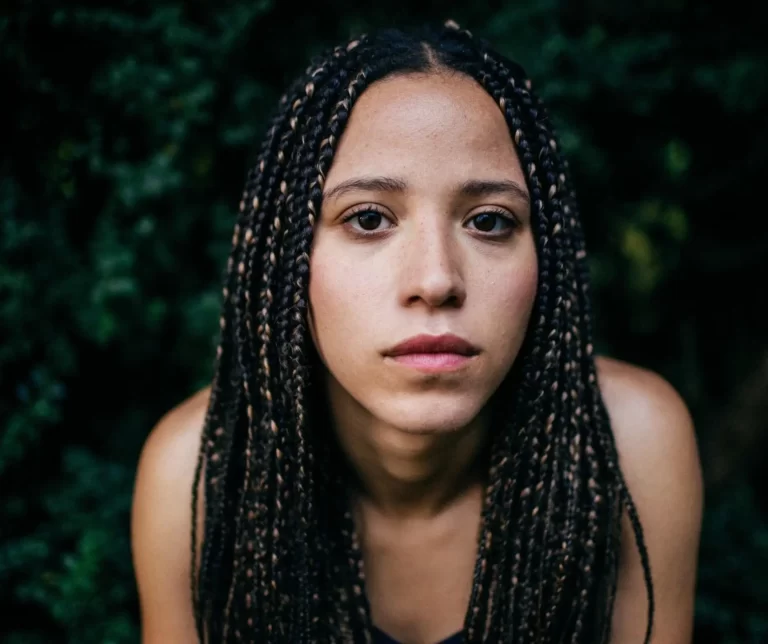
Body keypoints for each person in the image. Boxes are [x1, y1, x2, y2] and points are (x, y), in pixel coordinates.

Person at [130, 20, 703, 644]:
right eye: (369, 218)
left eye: (488, 220)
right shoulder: (198, 476)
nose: (435, 280)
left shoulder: (630, 446)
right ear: (286, 254)